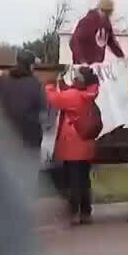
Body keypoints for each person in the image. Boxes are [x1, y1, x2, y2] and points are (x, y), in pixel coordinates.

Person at [45, 66, 100, 225]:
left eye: (75, 77)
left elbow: (53, 98)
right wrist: (62, 83)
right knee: (84, 180)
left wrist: (50, 84)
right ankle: (85, 212)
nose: (73, 78)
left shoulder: (74, 96)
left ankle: (74, 213)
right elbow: (68, 93)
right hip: (86, 146)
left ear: (79, 80)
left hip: (73, 146)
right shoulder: (88, 94)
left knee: (74, 181)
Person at [0, 50, 46, 199]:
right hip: (30, 139)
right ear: (30, 66)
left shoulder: (1, 80)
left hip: (5, 137)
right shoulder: (36, 84)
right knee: (28, 179)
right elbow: (44, 112)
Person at [69, 0, 125, 65]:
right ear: (99, 10)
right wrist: (81, 60)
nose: (107, 15)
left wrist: (121, 56)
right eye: (106, 12)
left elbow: (111, 42)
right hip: (83, 64)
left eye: (109, 13)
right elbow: (74, 41)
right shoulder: (87, 21)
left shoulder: (106, 23)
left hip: (96, 64)